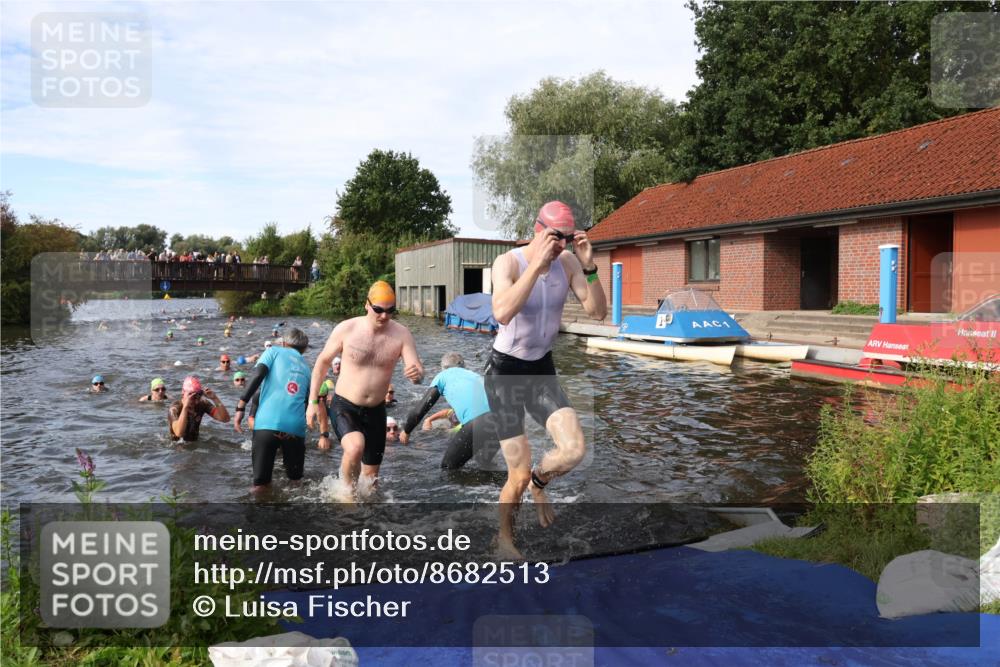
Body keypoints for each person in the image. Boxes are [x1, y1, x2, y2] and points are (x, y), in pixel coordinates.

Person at [485, 200, 607, 559]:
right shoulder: (508, 262)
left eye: (568, 239)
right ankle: (504, 538)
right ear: (538, 230)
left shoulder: (569, 262)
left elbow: (598, 312)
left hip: (540, 370)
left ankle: (542, 481)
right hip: (504, 373)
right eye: (556, 238)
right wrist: (536, 266)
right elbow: (502, 313)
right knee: (516, 475)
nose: (562, 246)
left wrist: (589, 267)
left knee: (574, 450)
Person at [306, 281, 423, 500]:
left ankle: (365, 522)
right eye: (378, 310)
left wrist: (417, 375)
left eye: (390, 311)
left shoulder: (401, 334)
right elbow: (322, 364)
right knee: (355, 447)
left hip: (376, 411)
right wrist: (313, 403)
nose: (384, 316)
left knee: (371, 485)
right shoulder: (347, 329)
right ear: (366, 305)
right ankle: (346, 497)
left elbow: (416, 369)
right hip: (344, 405)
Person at [234, 328, 311, 493]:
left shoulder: (273, 351)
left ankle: (259, 515)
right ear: (304, 349)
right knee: (296, 484)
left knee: (260, 485)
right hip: (295, 428)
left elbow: (258, 375)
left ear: (283, 343)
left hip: (267, 424)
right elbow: (305, 402)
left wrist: (241, 405)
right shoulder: (307, 367)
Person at [400, 352, 501, 470]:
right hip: (506, 420)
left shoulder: (442, 376)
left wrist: (406, 431)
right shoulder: (474, 375)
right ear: (463, 366)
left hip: (481, 421)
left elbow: (419, 411)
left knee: (448, 467)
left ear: (442, 368)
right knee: (484, 463)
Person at [167, 376, 230, 442]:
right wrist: (185, 408)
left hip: (195, 445)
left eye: (198, 396)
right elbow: (179, 433)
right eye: (192, 397)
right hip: (177, 447)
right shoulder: (174, 408)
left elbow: (225, 419)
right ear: (183, 393)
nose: (196, 401)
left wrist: (215, 399)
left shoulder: (202, 403)